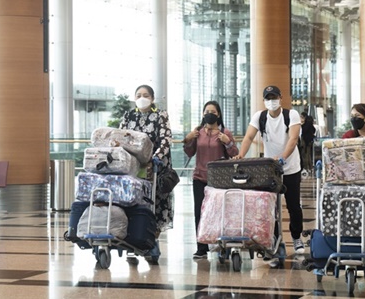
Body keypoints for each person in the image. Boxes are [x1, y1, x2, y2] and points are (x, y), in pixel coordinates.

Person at [235, 85, 304, 265]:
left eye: (274, 97)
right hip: (270, 169)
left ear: (281, 98)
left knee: (293, 206)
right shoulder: (260, 116)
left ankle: (296, 238)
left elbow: (293, 139)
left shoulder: (291, 115)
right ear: (264, 100)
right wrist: (241, 155)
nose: (271, 101)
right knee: (269, 208)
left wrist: (282, 157)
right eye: (268, 98)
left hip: (290, 167)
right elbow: (249, 137)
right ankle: (273, 242)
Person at [120, 84, 173, 264]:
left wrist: (156, 158)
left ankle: (152, 240)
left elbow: (166, 139)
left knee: (155, 204)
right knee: (132, 200)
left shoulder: (160, 115)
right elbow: (120, 137)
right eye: (138, 95)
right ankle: (132, 239)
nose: (142, 98)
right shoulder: (129, 115)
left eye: (145, 95)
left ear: (152, 98)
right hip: (133, 168)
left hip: (155, 167)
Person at [182, 101, 238, 259]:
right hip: (199, 177)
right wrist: (189, 138)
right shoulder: (198, 132)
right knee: (199, 213)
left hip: (219, 180)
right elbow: (189, 152)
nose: (209, 114)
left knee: (220, 213)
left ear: (218, 114)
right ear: (202, 114)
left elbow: (234, 154)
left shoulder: (224, 132)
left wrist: (228, 142)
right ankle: (201, 246)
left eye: (213, 111)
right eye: (206, 111)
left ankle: (223, 245)